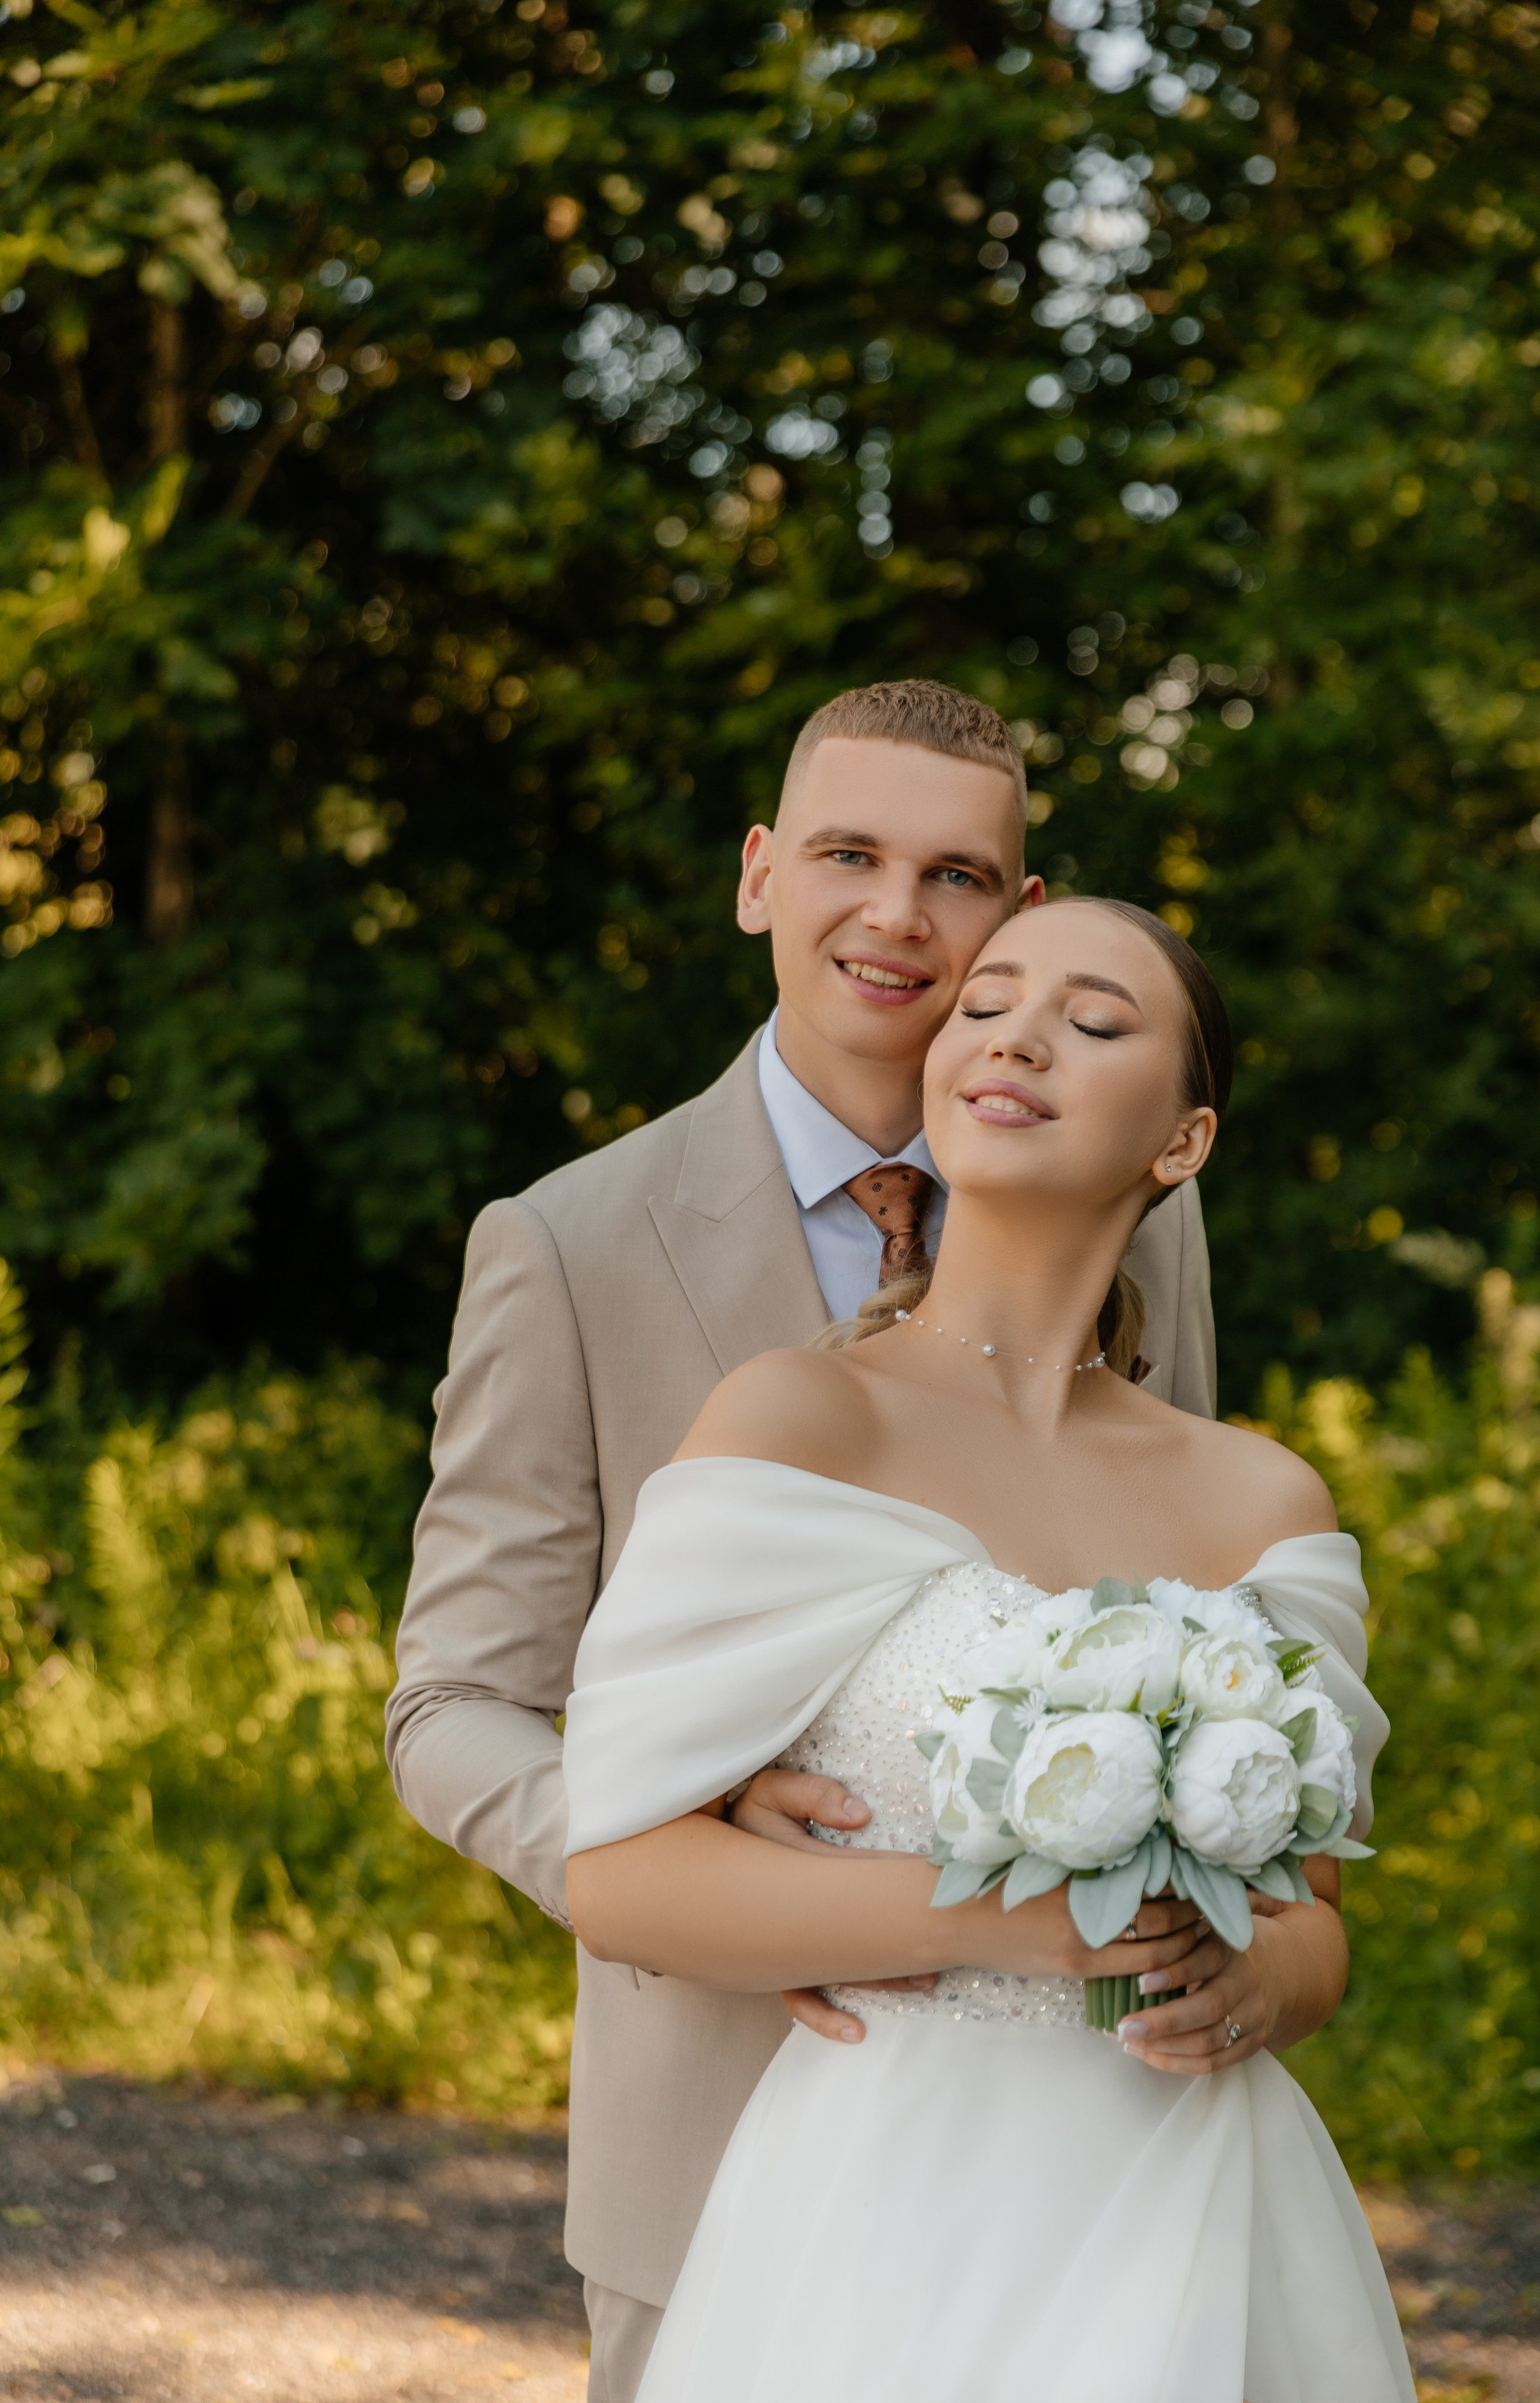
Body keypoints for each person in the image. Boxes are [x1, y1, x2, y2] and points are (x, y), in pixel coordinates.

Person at [385, 683, 1218, 2402]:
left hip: (1092, 2147)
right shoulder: (570, 1242)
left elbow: (1178, 1599)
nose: (897, 917)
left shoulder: (1147, 1205)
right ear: (761, 874)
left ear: (1024, 913)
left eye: (958, 875)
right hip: (717, 2129)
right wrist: (663, 1835)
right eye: (849, 854)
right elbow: (452, 1704)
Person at [563, 895, 1412, 2403]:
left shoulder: (1260, 1499)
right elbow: (618, 1876)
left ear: (1183, 1142)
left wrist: (1247, 1982)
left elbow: (1314, 1921)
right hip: (884, 2215)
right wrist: (999, 1926)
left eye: (1092, 1023)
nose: (1016, 1032)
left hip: (1195, 2197)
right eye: (985, 1005)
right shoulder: (797, 1424)